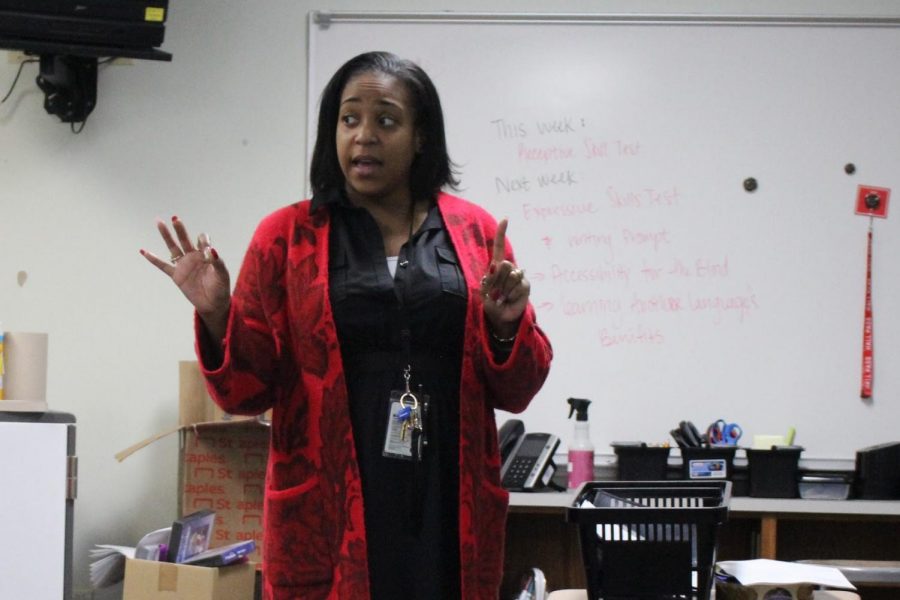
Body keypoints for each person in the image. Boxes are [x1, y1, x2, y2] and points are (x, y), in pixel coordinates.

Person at [142, 51, 552, 600]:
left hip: (448, 504)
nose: (364, 136)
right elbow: (247, 391)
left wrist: (506, 326)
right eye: (349, 118)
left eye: (386, 119)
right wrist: (219, 315)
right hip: (327, 510)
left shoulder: (475, 232)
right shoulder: (285, 236)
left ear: (421, 136)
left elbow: (518, 388)